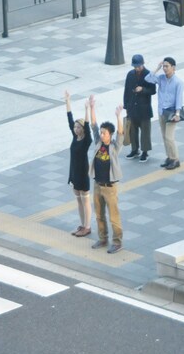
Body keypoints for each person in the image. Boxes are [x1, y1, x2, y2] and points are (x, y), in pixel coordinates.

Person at [90, 100, 125, 253]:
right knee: (99, 215)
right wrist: (91, 108)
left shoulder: (114, 147)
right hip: (97, 184)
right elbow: (93, 126)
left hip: (110, 187)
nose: (102, 134)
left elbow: (121, 134)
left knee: (113, 216)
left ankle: (117, 242)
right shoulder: (98, 143)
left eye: (105, 133)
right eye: (102, 132)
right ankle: (102, 238)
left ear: (110, 135)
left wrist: (119, 116)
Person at [146, 58, 184, 171]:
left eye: (167, 66)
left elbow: (179, 99)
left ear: (173, 68)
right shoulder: (161, 78)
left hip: (172, 112)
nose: (165, 68)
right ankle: (169, 157)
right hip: (162, 111)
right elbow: (148, 78)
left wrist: (177, 114)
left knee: (169, 137)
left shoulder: (178, 82)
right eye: (164, 66)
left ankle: (175, 159)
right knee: (164, 136)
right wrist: (157, 68)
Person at [65, 91, 92, 236]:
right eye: (75, 128)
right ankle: (82, 225)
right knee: (78, 201)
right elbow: (69, 119)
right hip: (74, 173)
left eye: (78, 127)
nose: (76, 129)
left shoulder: (86, 140)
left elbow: (87, 126)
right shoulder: (75, 138)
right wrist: (67, 101)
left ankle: (87, 226)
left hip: (83, 173)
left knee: (85, 200)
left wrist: (87, 109)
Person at [123, 54, 156, 162]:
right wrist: (126, 106)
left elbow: (153, 90)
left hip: (144, 108)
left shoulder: (148, 74)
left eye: (139, 66)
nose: (137, 68)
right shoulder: (130, 74)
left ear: (143, 64)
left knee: (145, 131)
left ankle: (145, 152)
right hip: (132, 107)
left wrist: (142, 89)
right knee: (133, 131)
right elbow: (126, 91)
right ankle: (134, 149)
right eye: (135, 66)